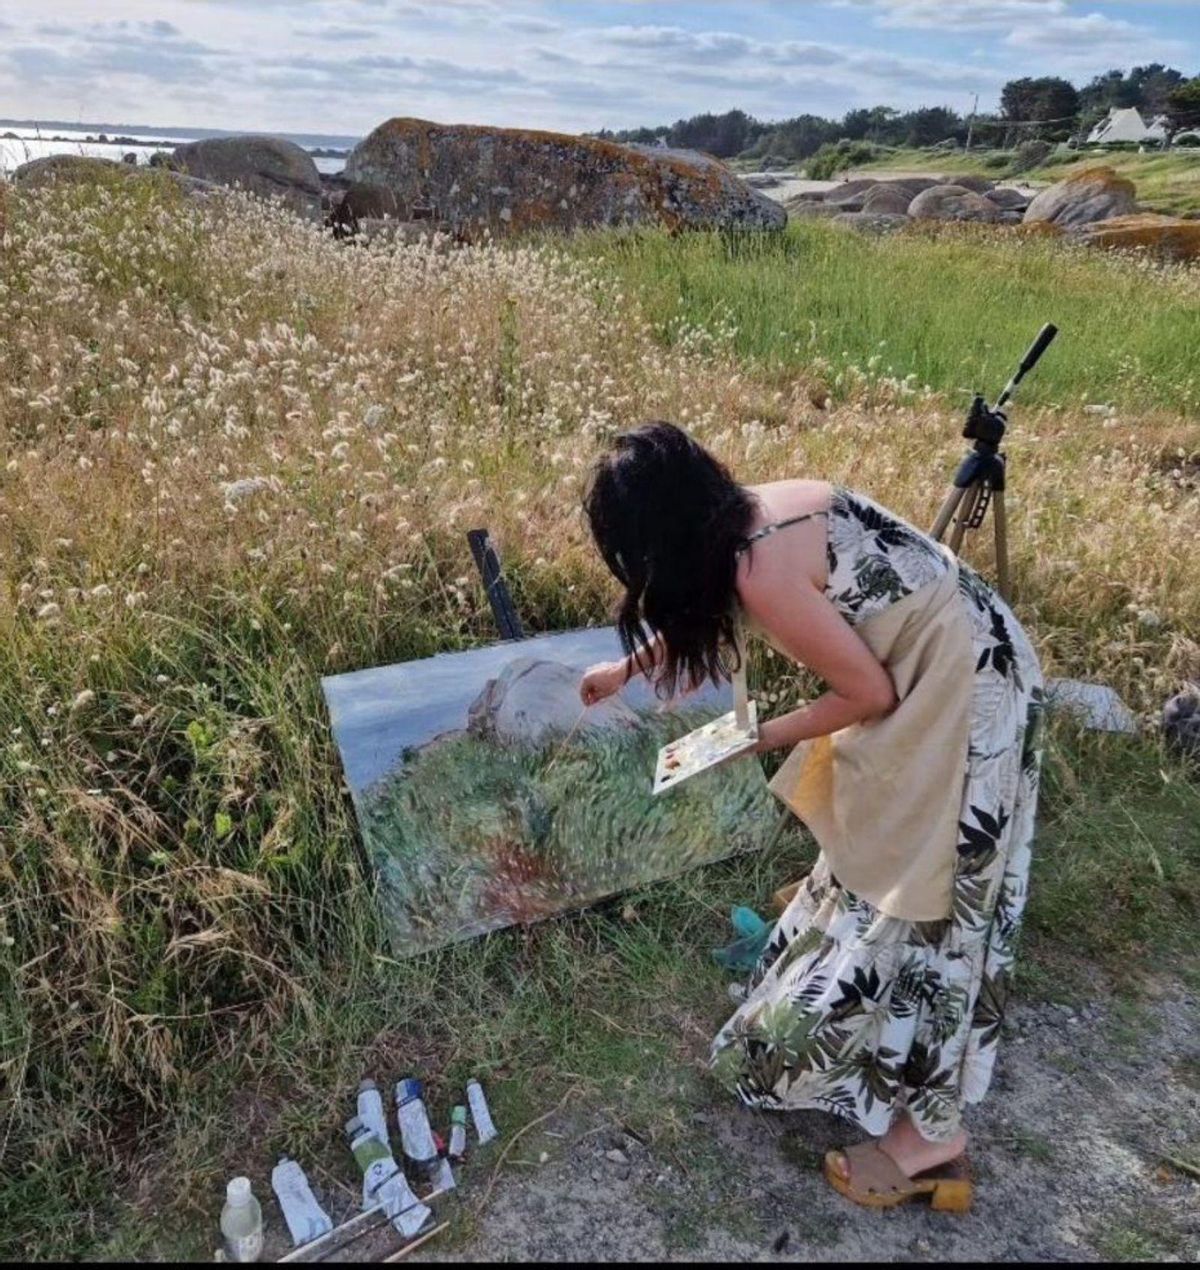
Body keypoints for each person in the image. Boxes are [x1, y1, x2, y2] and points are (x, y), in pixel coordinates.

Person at [579, 421, 1043, 1212]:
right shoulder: (757, 509)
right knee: (883, 846)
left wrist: (753, 739)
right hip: (963, 655)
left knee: (934, 886)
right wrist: (627, 668)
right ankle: (836, 1014)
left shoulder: (760, 569)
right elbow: (718, 597)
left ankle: (933, 1140)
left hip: (970, 695)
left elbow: (868, 695)